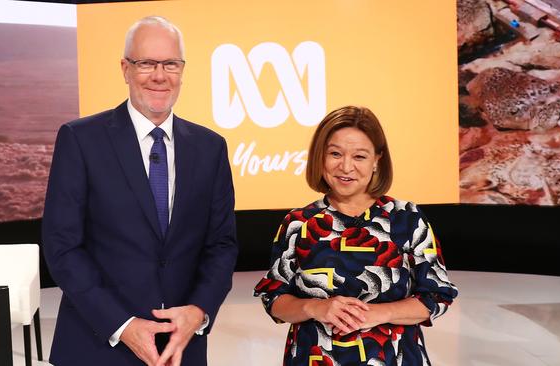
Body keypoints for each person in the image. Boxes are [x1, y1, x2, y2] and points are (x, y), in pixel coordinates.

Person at [42, 16, 238, 366]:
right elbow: (62, 247)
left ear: (182, 69)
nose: (160, 75)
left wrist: (198, 311)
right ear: (125, 68)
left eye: (170, 64)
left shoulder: (211, 148)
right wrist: (123, 325)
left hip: (181, 348)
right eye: (146, 63)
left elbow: (221, 244)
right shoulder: (80, 139)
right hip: (98, 346)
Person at [254, 106, 458, 365]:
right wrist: (316, 307)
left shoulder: (406, 218)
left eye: (359, 156)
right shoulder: (299, 223)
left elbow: (437, 296)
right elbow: (274, 297)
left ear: (377, 160)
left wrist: (376, 313)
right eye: (335, 154)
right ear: (320, 157)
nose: (346, 167)